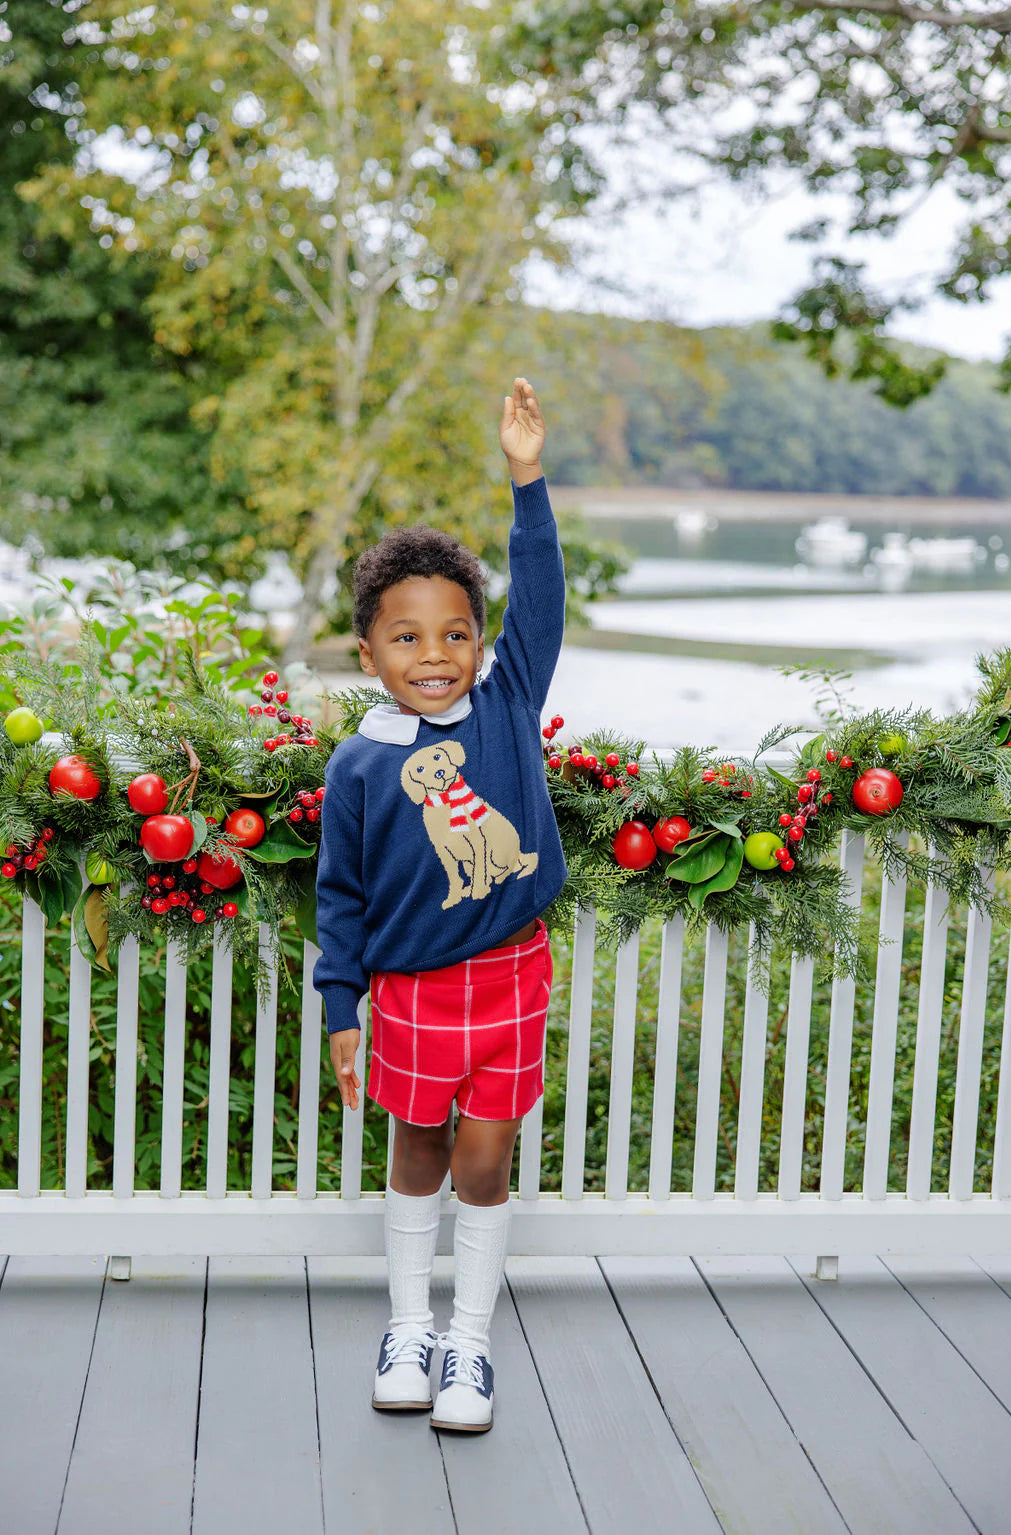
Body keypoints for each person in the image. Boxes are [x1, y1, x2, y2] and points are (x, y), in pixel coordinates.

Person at [313, 377, 567, 1434]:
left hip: (508, 971)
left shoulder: (506, 702)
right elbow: (342, 893)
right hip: (409, 990)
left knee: (483, 1157)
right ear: (369, 651)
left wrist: (525, 478)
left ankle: (469, 1339)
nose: (435, 655)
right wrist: (339, 1006)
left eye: (455, 633)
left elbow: (539, 595)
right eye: (407, 638)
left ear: (477, 643)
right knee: (415, 1148)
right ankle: (407, 1325)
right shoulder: (362, 764)